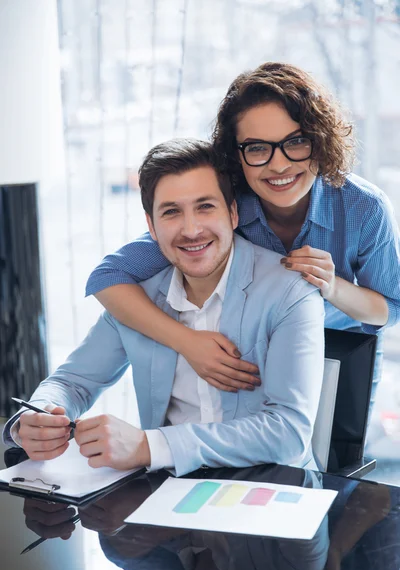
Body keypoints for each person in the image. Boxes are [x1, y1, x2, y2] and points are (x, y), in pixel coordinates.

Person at [3, 139, 324, 476]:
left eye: (205, 207)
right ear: (151, 226)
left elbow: (288, 432)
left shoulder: (291, 290)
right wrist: (35, 417)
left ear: (232, 213)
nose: (191, 229)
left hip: (273, 492)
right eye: (172, 212)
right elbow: (72, 383)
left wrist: (149, 446)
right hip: (167, 494)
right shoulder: (135, 298)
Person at [85, 62, 400, 399]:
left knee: (335, 452)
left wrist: (332, 286)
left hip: (339, 355)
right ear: (235, 155)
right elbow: (107, 278)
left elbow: (390, 310)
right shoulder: (221, 206)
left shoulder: (363, 207)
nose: (279, 165)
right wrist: (186, 342)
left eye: (295, 142)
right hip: (248, 361)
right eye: (257, 148)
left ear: (320, 141)